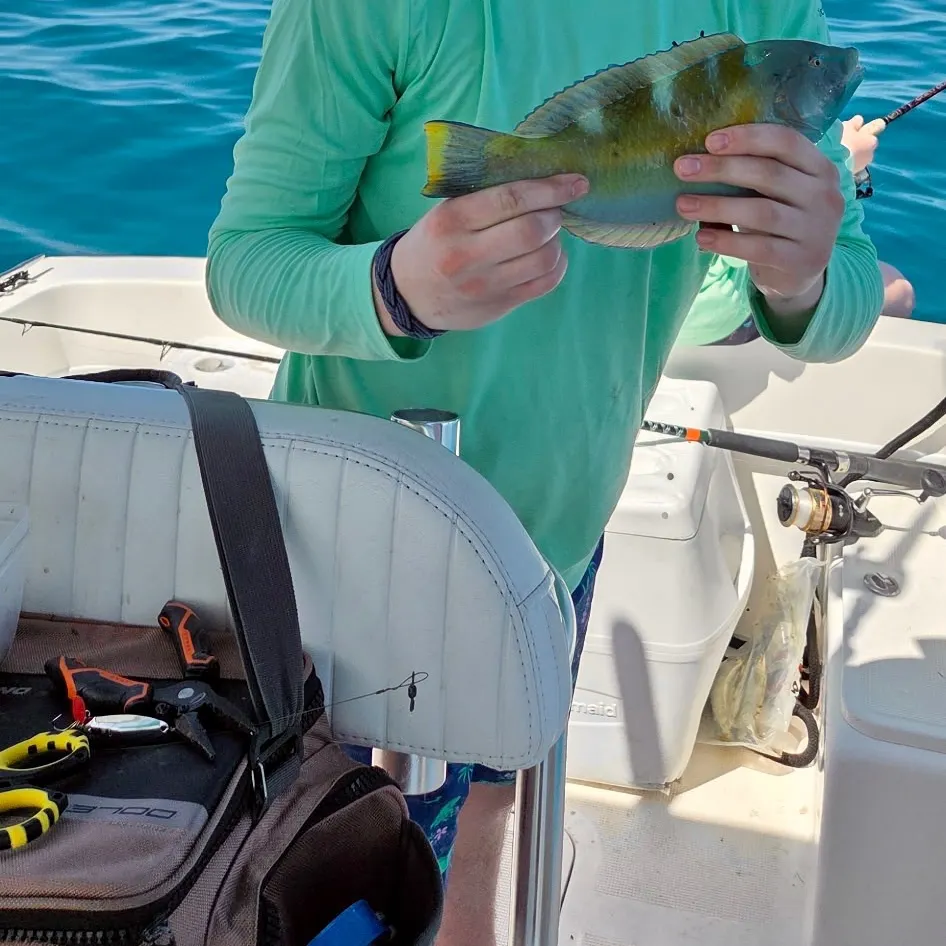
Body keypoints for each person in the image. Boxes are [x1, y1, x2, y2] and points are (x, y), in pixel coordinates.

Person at [205, 2, 884, 943]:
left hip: (559, 541)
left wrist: (800, 276)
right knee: (348, 858)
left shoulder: (765, 15)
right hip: (358, 561)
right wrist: (397, 289)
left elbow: (844, 298)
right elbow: (247, 260)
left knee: (496, 784)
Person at [677, 113, 913, 348]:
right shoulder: (806, 120)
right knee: (901, 291)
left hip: (667, 326)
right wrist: (847, 157)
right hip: (722, 320)